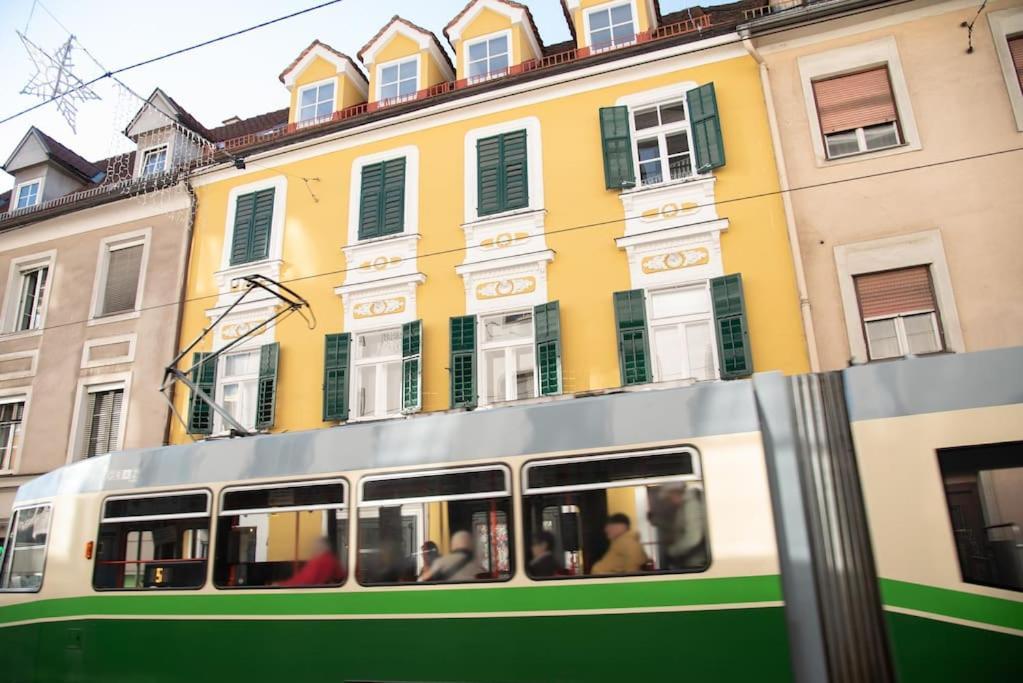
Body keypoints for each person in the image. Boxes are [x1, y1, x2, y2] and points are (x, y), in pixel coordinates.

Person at [648, 483, 707, 569]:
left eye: (669, 497)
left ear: (675, 493)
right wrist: (657, 521)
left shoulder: (691, 505)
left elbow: (694, 538)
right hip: (692, 560)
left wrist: (672, 552)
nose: (670, 501)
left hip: (697, 562)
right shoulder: (683, 506)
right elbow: (678, 529)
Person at [279, 536, 345, 587]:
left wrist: (281, 585)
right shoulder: (328, 559)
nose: (313, 548)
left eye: (315, 546)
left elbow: (306, 580)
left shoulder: (323, 560)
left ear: (321, 547)